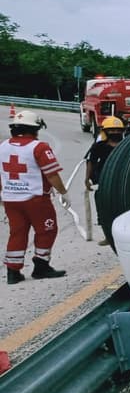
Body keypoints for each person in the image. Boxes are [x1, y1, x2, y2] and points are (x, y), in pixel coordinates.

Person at [2, 110, 69, 284]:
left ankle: (12, 271)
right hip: (36, 199)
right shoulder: (39, 147)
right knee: (47, 230)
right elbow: (52, 175)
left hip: (10, 199)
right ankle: (41, 266)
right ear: (35, 128)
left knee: (17, 232)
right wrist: (63, 192)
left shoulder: (3, 146)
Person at [86, 117, 125, 245]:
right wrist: (87, 179)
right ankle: (108, 237)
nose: (115, 132)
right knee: (103, 211)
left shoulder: (127, 145)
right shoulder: (99, 146)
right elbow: (91, 162)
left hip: (123, 182)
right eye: (111, 130)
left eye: (117, 130)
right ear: (105, 131)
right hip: (104, 183)